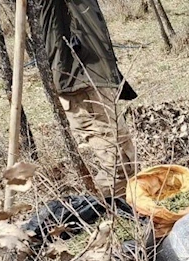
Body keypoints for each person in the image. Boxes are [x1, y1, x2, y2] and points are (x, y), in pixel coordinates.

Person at [41, 0, 138, 199]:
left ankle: (129, 203)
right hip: (80, 80)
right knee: (116, 156)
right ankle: (120, 206)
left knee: (120, 147)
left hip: (87, 76)